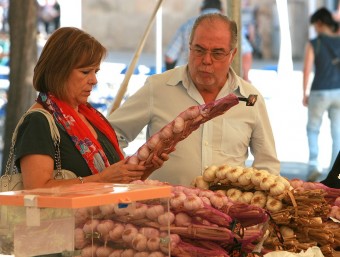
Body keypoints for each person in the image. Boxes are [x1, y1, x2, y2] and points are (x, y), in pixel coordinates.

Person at [108, 13, 280, 186]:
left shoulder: (250, 98)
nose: (206, 60)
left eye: (217, 53)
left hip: (228, 209)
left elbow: (268, 164)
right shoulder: (158, 88)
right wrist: (123, 175)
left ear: (232, 54)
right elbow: (109, 135)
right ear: (189, 47)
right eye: (199, 50)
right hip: (164, 209)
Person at [14, 27, 168, 190]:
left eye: (96, 71)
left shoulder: (91, 117)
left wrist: (145, 168)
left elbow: (115, 182)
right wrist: (102, 179)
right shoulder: (38, 121)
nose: (94, 80)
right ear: (58, 71)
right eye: (85, 71)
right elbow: (36, 189)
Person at [302, 7, 340, 182]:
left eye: (315, 25)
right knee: (337, 131)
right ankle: (334, 171)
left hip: (319, 91)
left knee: (313, 128)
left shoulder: (314, 43)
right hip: (338, 91)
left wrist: (305, 92)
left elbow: (307, 69)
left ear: (319, 23)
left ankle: (314, 164)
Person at [164, 0, 222, 70]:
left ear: (200, 9)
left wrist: (170, 77)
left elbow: (170, 57)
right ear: (222, 10)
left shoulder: (187, 25)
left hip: (192, 75)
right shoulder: (229, 27)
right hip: (220, 76)